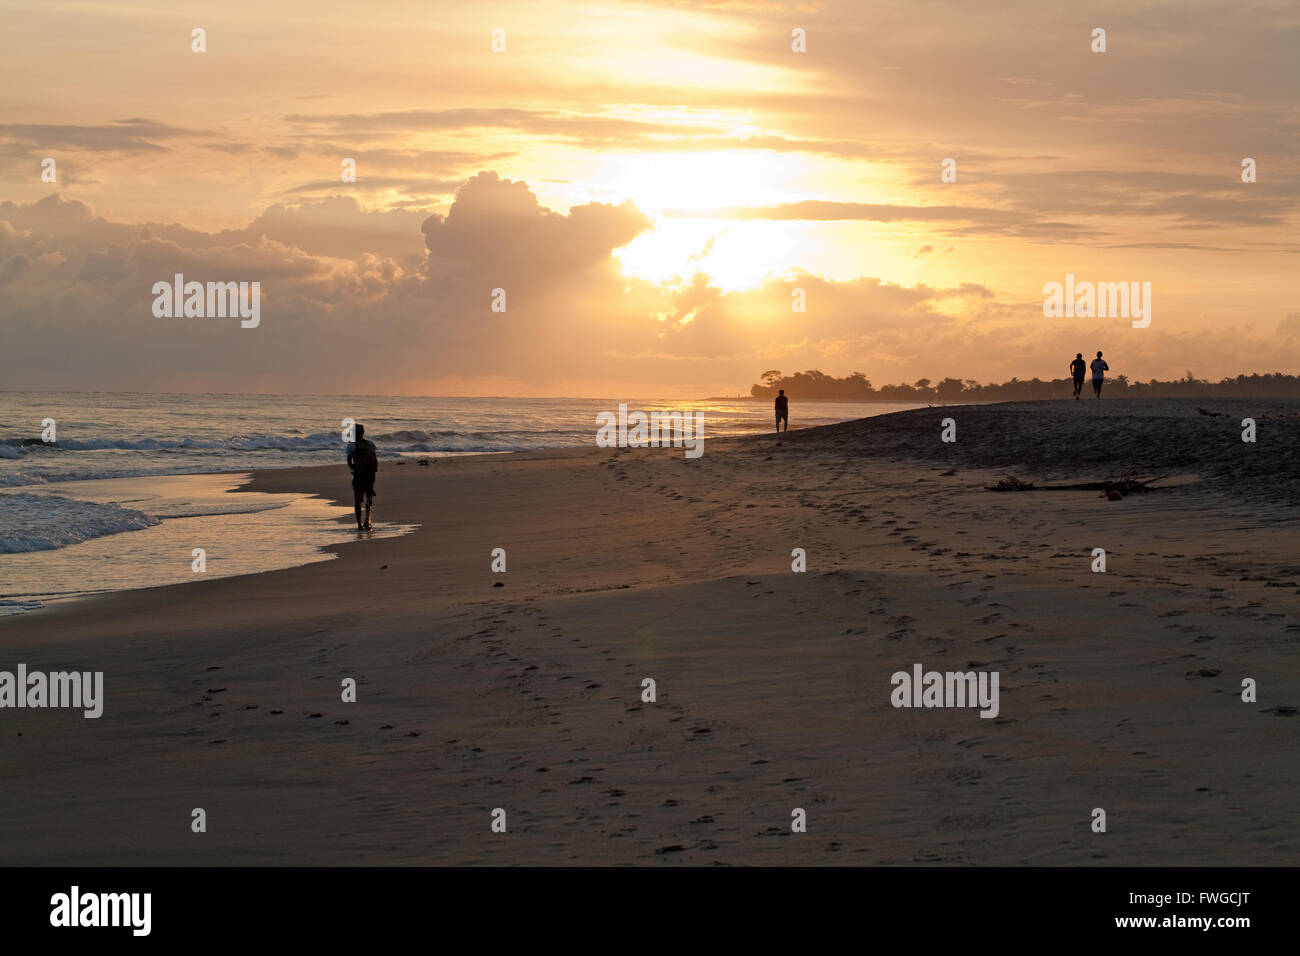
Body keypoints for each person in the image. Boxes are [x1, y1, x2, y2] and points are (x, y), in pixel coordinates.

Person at [346, 423, 379, 530]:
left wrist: (355, 469)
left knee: (358, 499)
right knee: (369, 496)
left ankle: (359, 524)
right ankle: (367, 521)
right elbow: (374, 460)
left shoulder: (352, 445)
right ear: (363, 433)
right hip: (370, 475)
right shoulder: (370, 443)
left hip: (359, 475)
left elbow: (349, 462)